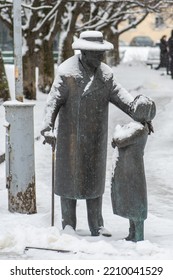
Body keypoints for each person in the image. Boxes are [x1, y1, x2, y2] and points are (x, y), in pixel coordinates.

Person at [41, 30, 135, 237]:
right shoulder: (67, 73)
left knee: (94, 182)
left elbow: (121, 97)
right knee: (69, 182)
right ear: (83, 52)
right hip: (70, 138)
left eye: (102, 53)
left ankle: (97, 225)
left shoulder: (105, 74)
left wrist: (141, 112)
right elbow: (53, 101)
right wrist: (47, 127)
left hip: (95, 138)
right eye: (96, 53)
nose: (101, 57)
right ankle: (68, 225)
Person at [111, 95, 156, 242]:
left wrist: (118, 129)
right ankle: (132, 233)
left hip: (133, 169)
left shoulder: (139, 129)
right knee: (131, 200)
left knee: (136, 202)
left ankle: (138, 235)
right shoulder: (138, 126)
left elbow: (119, 140)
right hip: (129, 168)